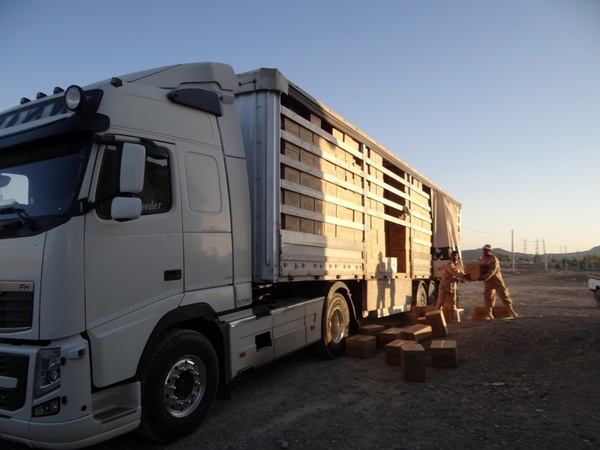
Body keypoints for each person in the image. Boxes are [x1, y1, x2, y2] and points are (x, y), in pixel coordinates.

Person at [478, 244, 518, 319]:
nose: (485, 251)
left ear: (490, 251)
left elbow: (492, 270)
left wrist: (483, 278)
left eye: (487, 250)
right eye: (484, 250)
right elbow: (480, 270)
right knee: (488, 298)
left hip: (497, 281)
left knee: (504, 295)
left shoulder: (493, 259)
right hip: (488, 282)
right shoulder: (482, 259)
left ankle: (511, 311)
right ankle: (489, 314)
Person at [435, 250, 469, 318]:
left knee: (453, 304)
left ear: (457, 256)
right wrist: (464, 276)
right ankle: (436, 318)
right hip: (444, 286)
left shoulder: (458, 266)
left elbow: (462, 274)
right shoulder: (449, 264)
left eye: (456, 255)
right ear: (451, 256)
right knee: (440, 303)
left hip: (452, 287)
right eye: (453, 255)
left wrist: (469, 278)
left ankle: (452, 319)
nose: (455, 257)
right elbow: (454, 273)